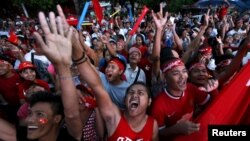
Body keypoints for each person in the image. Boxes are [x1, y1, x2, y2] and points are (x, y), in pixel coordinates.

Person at [56, 7, 159, 140]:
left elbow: (155, 58)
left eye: (140, 93)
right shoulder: (114, 118)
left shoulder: (153, 125)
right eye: (131, 93)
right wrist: (75, 47)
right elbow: (91, 71)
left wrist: (159, 30)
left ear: (149, 102)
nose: (134, 95)